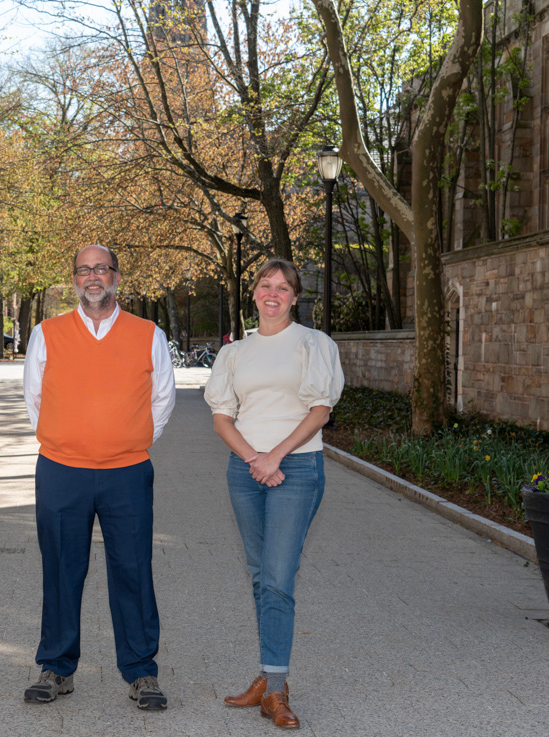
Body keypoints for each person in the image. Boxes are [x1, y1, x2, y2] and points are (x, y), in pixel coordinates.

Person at [22, 244, 176, 710]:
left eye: (101, 269)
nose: (93, 277)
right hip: (61, 471)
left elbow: (162, 401)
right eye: (84, 270)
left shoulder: (149, 334)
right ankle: (56, 667)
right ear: (74, 278)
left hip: (127, 473)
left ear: (116, 276)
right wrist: (68, 440)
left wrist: (125, 439)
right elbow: (34, 399)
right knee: (61, 569)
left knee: (133, 569)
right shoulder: (46, 333)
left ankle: (141, 671)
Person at [203, 259, 344, 729]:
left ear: (294, 297)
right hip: (246, 470)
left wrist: (275, 457)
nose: (273, 293)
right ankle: (267, 677)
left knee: (279, 578)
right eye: (266, 285)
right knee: (261, 574)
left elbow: (320, 411)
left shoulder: (313, 344)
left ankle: (277, 690)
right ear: (255, 292)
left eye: (283, 288)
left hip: (297, 468)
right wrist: (253, 459)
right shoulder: (234, 353)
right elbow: (222, 417)